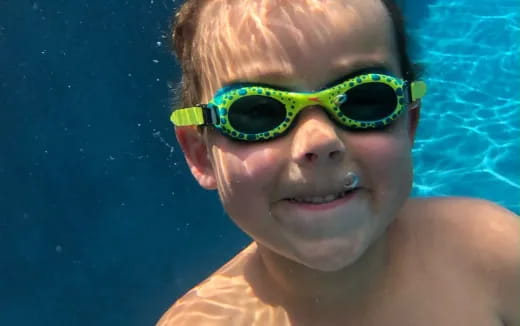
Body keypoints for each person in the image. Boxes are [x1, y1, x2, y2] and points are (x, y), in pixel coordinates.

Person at [157, 0, 520, 325]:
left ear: (409, 123)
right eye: (257, 111)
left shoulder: (491, 252)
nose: (321, 140)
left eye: (365, 99)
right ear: (201, 154)